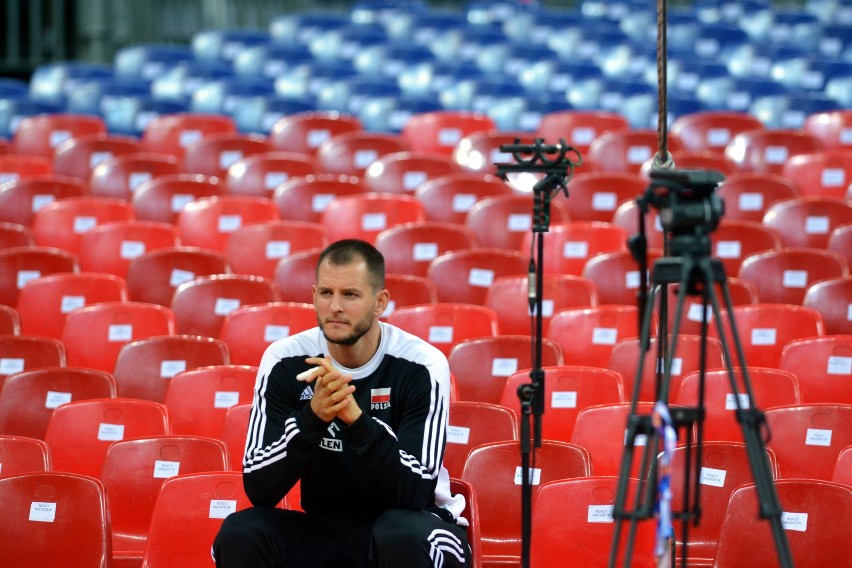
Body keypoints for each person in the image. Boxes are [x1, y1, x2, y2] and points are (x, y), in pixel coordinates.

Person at [213, 239, 470, 567]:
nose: (335, 306)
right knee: (243, 530)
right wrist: (312, 418)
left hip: (421, 528)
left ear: (379, 303)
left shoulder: (420, 364)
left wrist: (357, 421)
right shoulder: (285, 360)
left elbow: (415, 492)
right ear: (314, 296)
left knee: (398, 531)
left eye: (350, 295)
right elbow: (259, 488)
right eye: (326, 293)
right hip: (328, 529)